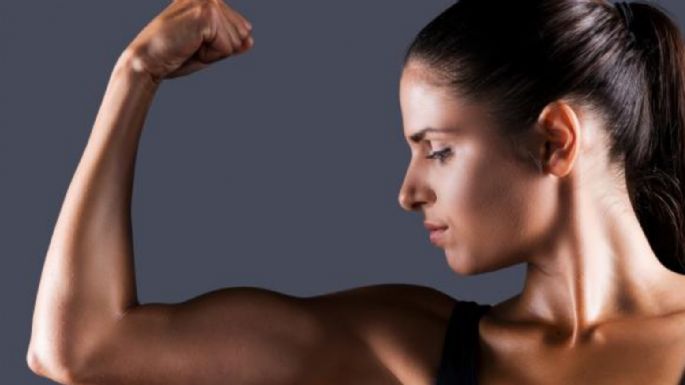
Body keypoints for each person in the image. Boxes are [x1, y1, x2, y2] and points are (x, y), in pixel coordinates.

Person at [26, 0, 685, 384]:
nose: (407, 191)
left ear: (553, 142)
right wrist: (133, 75)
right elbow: (78, 348)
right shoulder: (407, 349)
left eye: (438, 149)